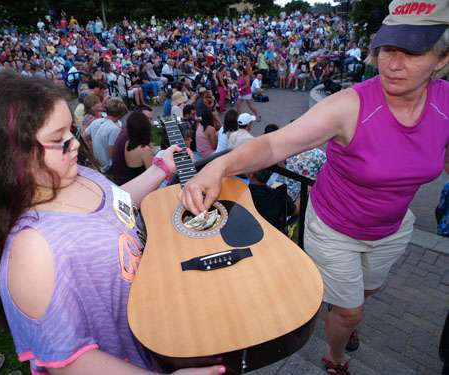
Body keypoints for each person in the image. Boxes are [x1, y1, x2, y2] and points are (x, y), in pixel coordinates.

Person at [179, 2, 449, 374]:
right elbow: (275, 145)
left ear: (441, 59)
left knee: (365, 294)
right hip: (335, 229)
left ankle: (342, 311)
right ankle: (336, 354)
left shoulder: (445, 103)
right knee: (352, 310)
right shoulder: (349, 105)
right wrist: (220, 166)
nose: (392, 64)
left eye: (413, 52)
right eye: (388, 49)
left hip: (391, 231)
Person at [0, 71, 226, 375]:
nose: (74, 143)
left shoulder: (79, 175)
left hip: (154, 334)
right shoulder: (31, 250)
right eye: (57, 139)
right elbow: (69, 361)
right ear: (8, 155)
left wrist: (160, 168)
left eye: (70, 131)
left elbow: (114, 206)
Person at [84, 97, 126, 177]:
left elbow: (84, 137)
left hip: (98, 164)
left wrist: (95, 148)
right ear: (120, 112)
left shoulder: (96, 122)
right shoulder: (114, 129)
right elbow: (112, 154)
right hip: (109, 167)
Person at [112, 110, 156, 186]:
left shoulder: (127, 143)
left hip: (131, 181)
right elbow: (153, 176)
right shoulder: (144, 150)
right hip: (142, 185)